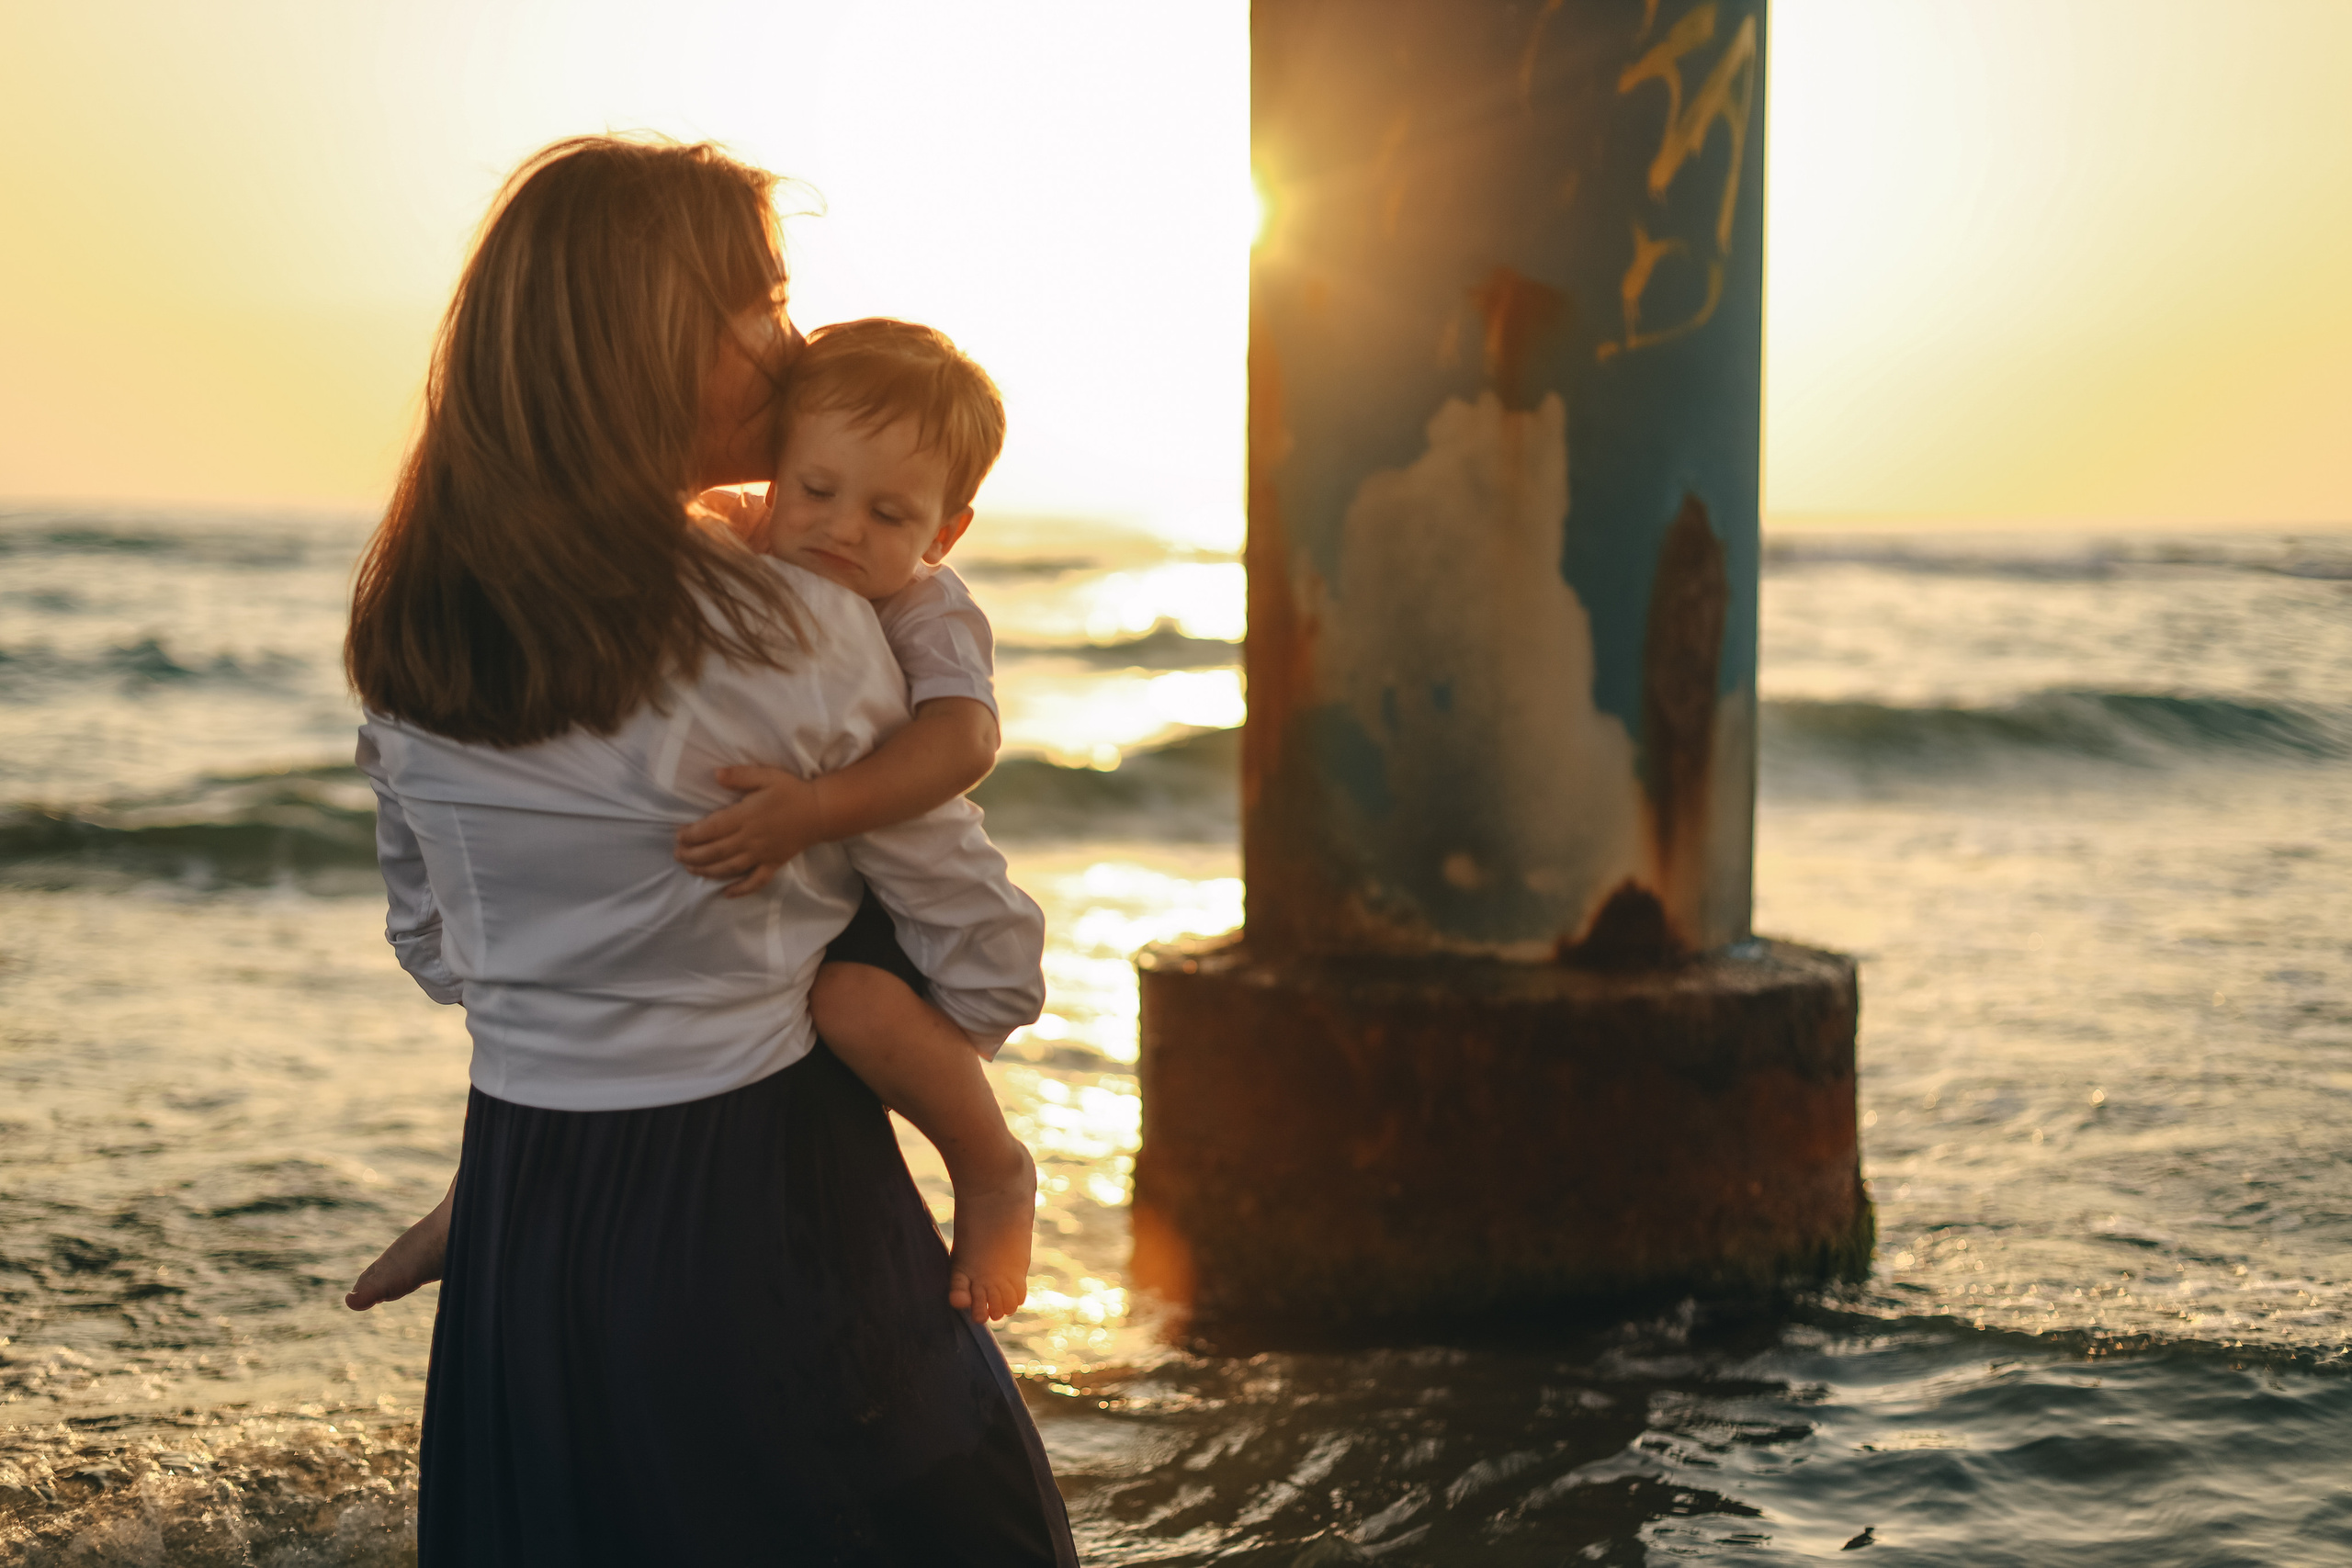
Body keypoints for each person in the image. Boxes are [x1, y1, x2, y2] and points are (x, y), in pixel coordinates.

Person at [343, 133, 1080, 1564]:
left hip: (534, 1219)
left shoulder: (416, 633)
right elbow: (958, 912)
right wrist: (968, 1035)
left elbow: (448, 950)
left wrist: (508, 1164)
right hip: (761, 1204)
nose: (795, 342)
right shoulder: (796, 630)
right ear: (653, 338)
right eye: (769, 304)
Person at [674, 316, 1035, 1323]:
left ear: (944, 532)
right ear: (776, 472)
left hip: (904, 912)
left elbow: (964, 743)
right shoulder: (744, 531)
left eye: (888, 514)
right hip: (813, 891)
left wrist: (814, 813)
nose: (840, 528)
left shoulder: (928, 609)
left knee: (852, 1008)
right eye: (817, 491)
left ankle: (992, 1166)